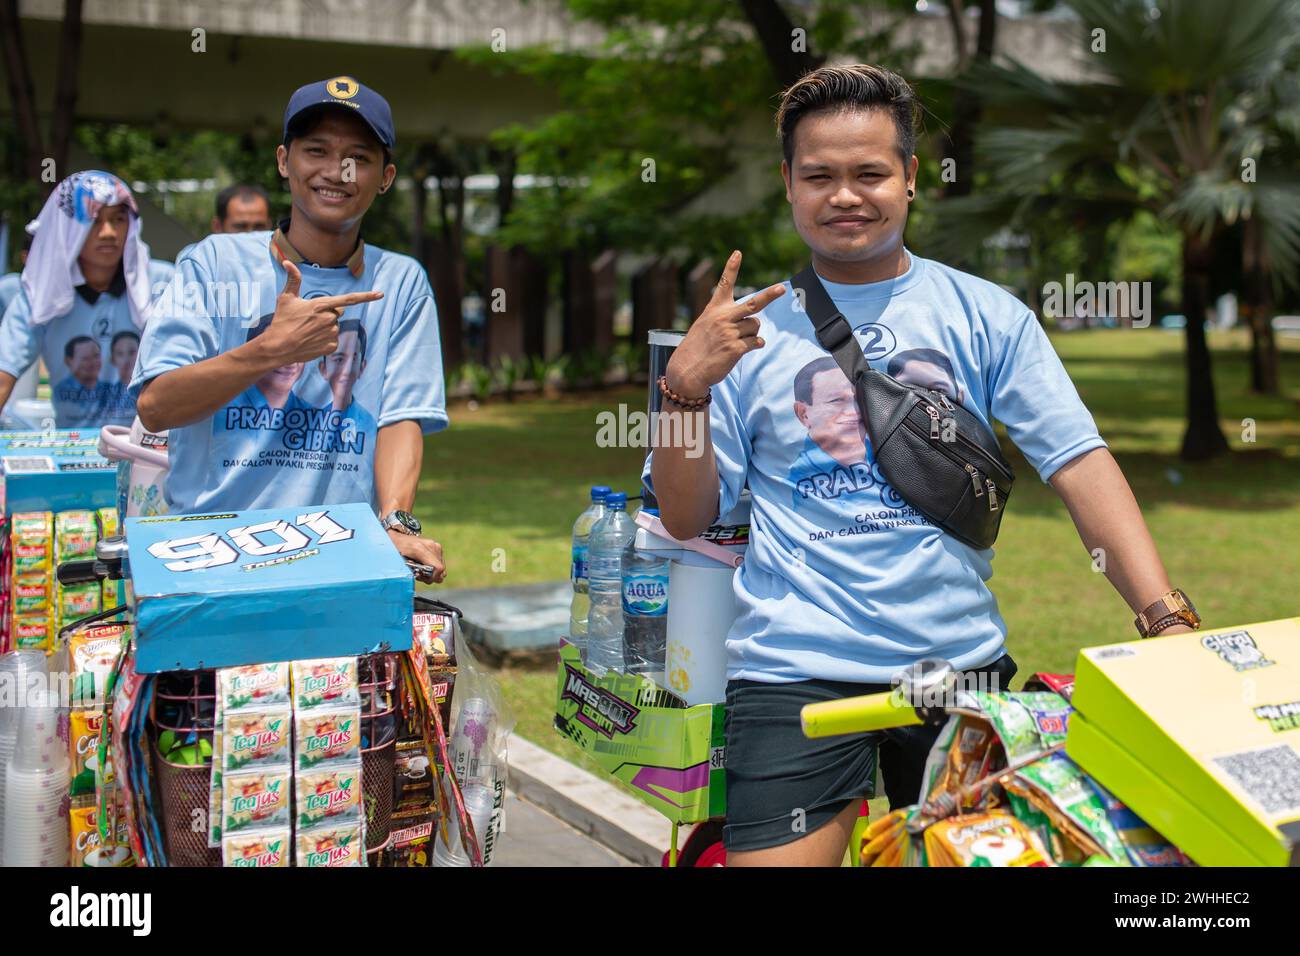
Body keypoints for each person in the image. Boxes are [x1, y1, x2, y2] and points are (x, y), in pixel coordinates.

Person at [647, 64, 1200, 866]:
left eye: (870, 172)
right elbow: (686, 517)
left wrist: (1164, 616)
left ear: (910, 178)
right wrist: (686, 390)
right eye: (820, 176)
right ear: (788, 185)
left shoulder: (985, 314)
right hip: (794, 673)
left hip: (957, 674)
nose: (845, 195)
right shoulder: (739, 335)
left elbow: (1078, 462)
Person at [133, 76, 448, 581]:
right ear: (284, 162)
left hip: (339, 558)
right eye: (316, 150)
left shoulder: (401, 282)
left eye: (358, 158)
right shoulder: (212, 262)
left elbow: (401, 417)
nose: (336, 171)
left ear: (386, 177)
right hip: (207, 557)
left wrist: (395, 520)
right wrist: (267, 352)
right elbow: (155, 406)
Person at [0, 171, 173, 428]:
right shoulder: (39, 292)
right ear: (66, 227)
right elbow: (4, 375)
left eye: (118, 219)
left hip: (149, 452)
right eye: (94, 221)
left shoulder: (165, 283)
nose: (108, 232)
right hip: (71, 451)